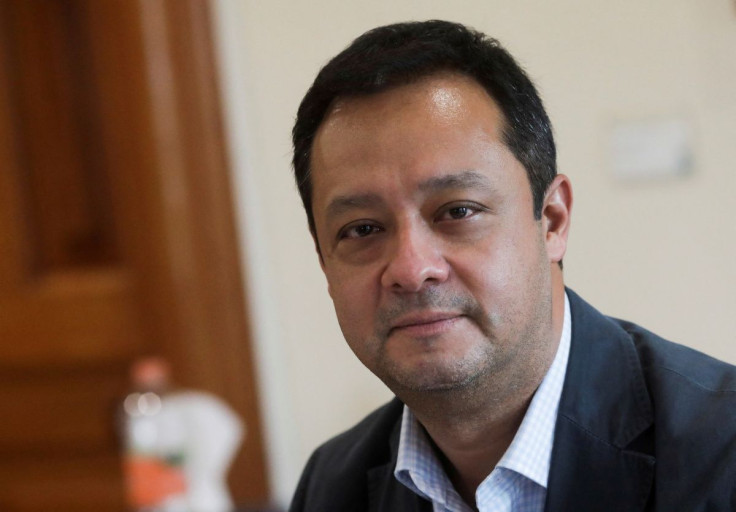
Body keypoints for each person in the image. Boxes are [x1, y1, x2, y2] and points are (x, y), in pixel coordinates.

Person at [288, 20, 736, 512]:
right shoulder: (332, 486)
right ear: (323, 259)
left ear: (552, 221)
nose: (413, 270)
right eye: (362, 230)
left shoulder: (721, 453)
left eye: (458, 211)